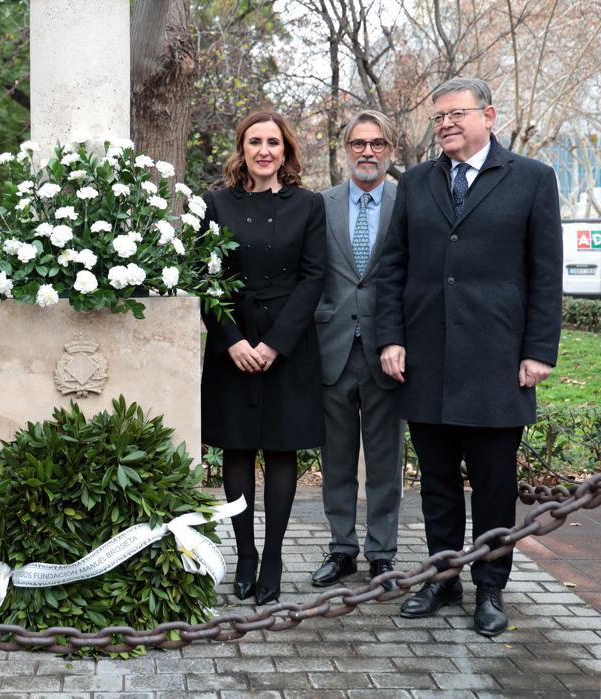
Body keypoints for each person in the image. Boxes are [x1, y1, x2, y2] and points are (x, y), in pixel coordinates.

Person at [376, 77, 562, 636]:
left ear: (490, 115)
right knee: (435, 481)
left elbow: (545, 276)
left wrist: (538, 351)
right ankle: (442, 576)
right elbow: (393, 268)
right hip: (426, 360)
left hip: (497, 361)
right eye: (438, 117)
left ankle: (490, 587)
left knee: (494, 482)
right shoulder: (415, 182)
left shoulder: (532, 179)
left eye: (457, 113)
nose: (446, 124)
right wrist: (391, 337)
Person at [201, 110, 327, 605]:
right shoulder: (215, 204)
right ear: (242, 149)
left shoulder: (308, 205)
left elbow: (314, 277)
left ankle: (273, 555)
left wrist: (275, 343)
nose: (264, 151)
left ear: (286, 151)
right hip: (231, 339)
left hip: (287, 345)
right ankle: (245, 554)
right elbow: (203, 276)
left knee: (280, 450)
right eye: (255, 141)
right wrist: (231, 339)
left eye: (273, 142)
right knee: (236, 450)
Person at [311, 110, 404, 590]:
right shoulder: (320, 204)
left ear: (391, 149)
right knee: (338, 458)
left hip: (389, 351)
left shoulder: (406, 201)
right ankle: (342, 549)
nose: (367, 151)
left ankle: (382, 555)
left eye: (377, 143)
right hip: (332, 347)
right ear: (346, 149)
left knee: (386, 460)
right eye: (358, 143)